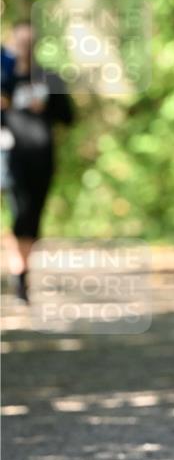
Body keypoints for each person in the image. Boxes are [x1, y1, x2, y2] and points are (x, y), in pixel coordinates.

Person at [1, 20, 75, 303]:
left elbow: (68, 117)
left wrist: (47, 105)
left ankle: (22, 272)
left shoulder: (50, 77)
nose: (24, 50)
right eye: (20, 44)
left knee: (33, 218)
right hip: (11, 158)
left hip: (43, 159)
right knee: (20, 214)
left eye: (29, 44)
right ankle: (19, 274)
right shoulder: (4, 79)